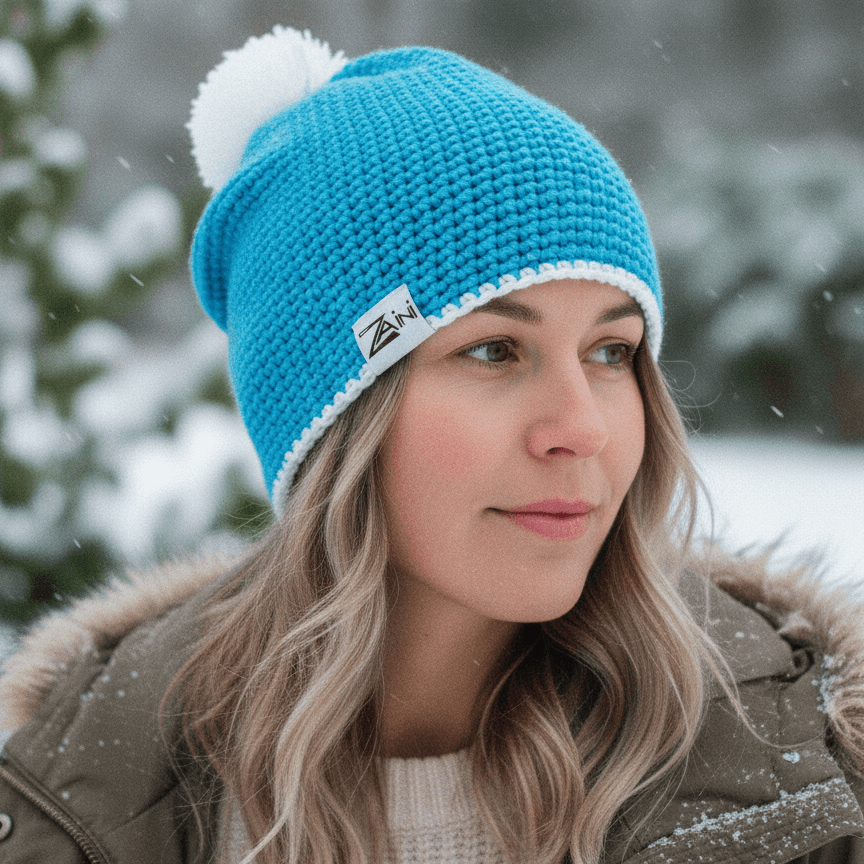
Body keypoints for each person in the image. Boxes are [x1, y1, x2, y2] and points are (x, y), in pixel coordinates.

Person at [0, 26, 863, 864]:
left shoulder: (806, 771)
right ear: (336, 420)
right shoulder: (86, 796)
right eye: (493, 349)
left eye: (612, 352)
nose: (584, 427)